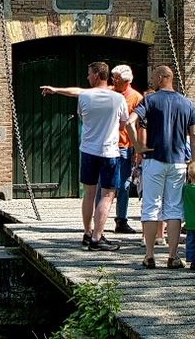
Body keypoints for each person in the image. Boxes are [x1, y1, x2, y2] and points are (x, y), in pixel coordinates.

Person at [41, 61, 129, 252]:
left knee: (89, 194)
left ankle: (87, 233)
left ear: (97, 75)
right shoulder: (118, 99)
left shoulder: (84, 97)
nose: (87, 77)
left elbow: (79, 103)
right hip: (109, 153)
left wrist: (55, 90)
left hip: (88, 151)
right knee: (107, 196)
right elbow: (123, 126)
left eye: (89, 74)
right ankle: (98, 238)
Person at [126, 65, 195, 269]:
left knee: (151, 206)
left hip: (153, 160)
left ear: (160, 78)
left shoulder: (149, 100)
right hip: (177, 162)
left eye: (153, 77)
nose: (151, 80)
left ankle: (149, 255)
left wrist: (138, 146)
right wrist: (194, 162)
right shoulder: (187, 103)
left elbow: (129, 123)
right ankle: (173, 256)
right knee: (174, 208)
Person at [106, 64, 143, 235]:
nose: (113, 80)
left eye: (116, 78)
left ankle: (121, 220)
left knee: (124, 184)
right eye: (112, 77)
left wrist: (137, 149)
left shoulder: (136, 98)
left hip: (124, 146)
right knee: (103, 184)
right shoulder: (108, 92)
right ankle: (98, 220)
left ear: (126, 81)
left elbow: (138, 125)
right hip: (106, 144)